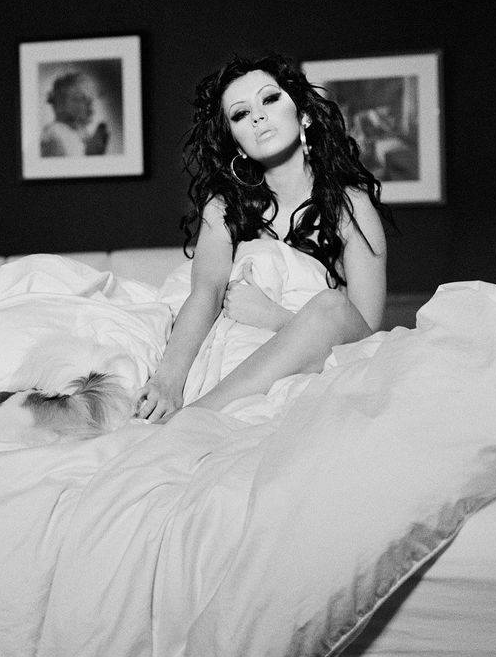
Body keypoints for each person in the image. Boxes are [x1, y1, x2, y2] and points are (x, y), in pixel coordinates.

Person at [136, 51, 393, 422]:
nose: (257, 116)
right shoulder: (223, 206)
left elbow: (363, 335)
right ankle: (193, 415)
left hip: (324, 363)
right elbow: (206, 294)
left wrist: (274, 317)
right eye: (241, 114)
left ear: (303, 114)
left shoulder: (350, 205)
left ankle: (195, 419)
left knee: (332, 305)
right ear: (238, 143)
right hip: (234, 356)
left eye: (269, 99)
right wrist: (167, 382)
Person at [40, 72, 109, 157]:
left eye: (91, 99)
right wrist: (90, 155)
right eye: (81, 99)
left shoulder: (80, 132)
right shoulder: (54, 136)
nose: (90, 105)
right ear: (61, 103)